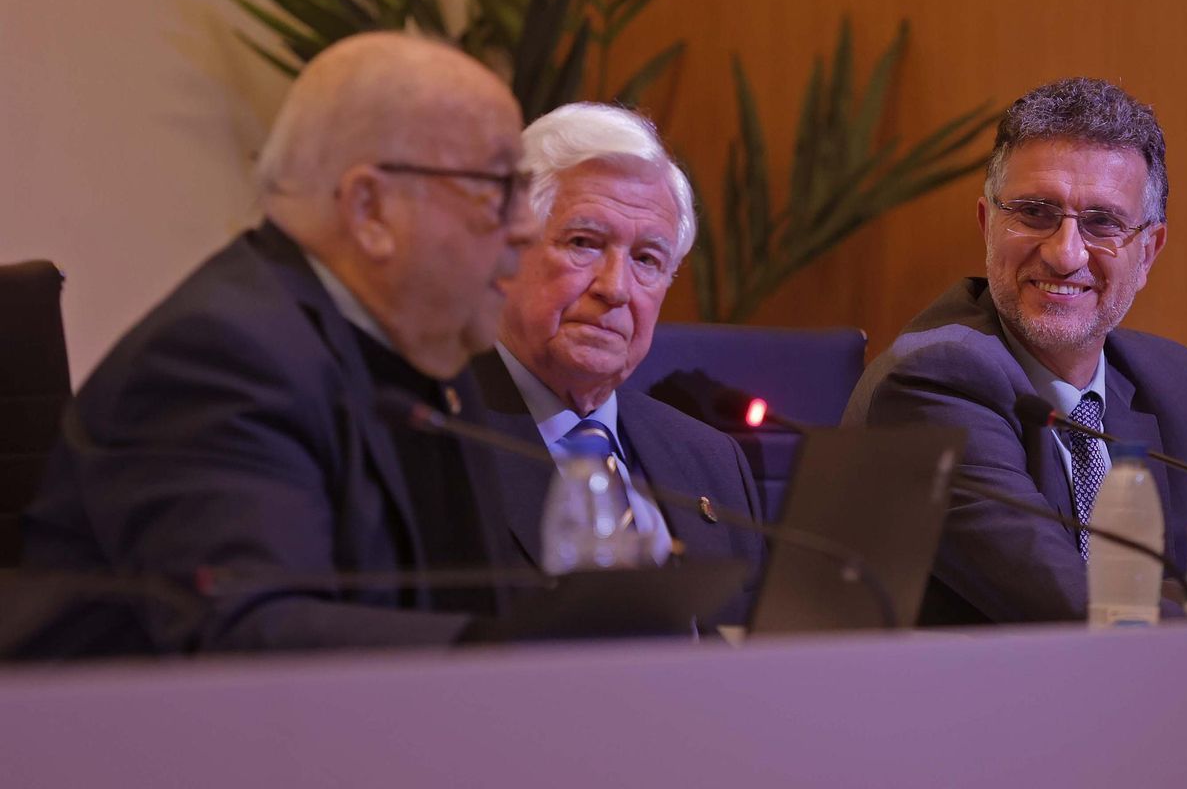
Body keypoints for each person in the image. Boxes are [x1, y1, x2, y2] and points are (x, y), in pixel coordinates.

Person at [21, 33, 539, 655]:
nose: (527, 226)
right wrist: (518, 652)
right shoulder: (219, 356)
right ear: (370, 209)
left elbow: (472, 603)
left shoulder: (431, 349)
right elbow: (255, 639)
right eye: (497, 186)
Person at [844, 77, 1187, 623]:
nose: (1065, 254)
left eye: (1102, 222)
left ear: (1149, 251)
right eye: (1034, 212)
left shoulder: (1169, 382)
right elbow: (1084, 614)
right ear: (988, 225)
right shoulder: (933, 381)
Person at [472, 103, 764, 626]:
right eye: (584, 243)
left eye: (647, 259)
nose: (616, 288)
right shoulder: (431, 430)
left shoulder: (711, 460)